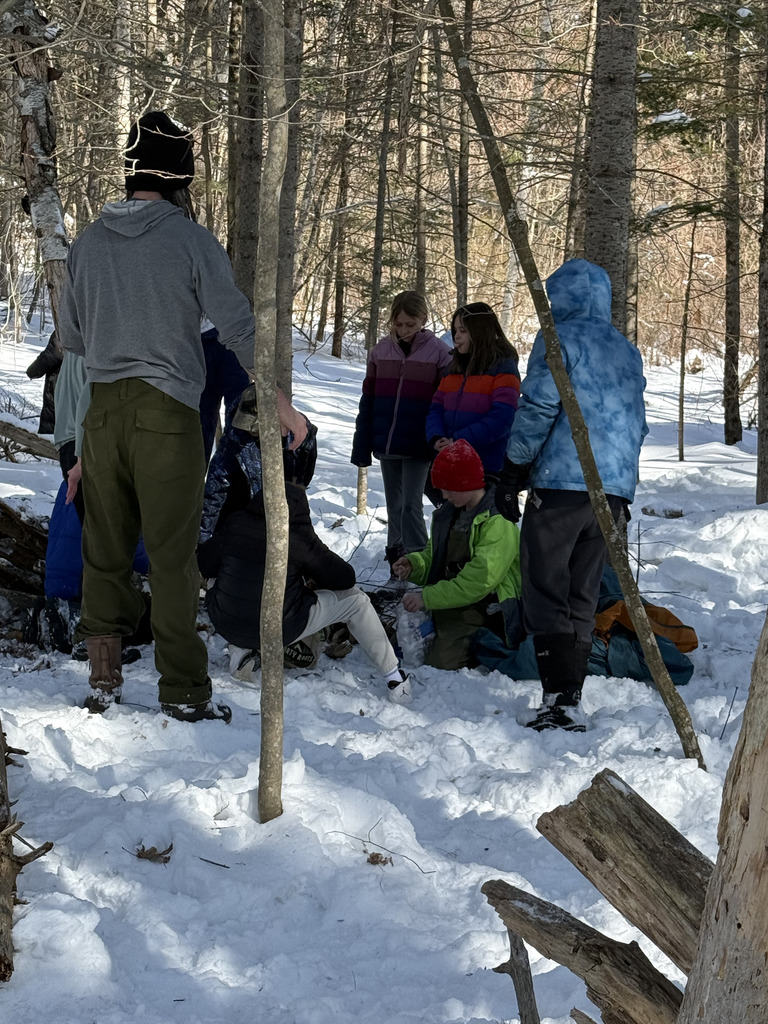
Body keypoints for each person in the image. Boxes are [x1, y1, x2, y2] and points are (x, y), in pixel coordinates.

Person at [57, 109, 306, 722]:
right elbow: (239, 327)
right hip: (167, 413)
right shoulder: (192, 241)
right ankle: (186, 692)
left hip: (103, 412)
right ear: (179, 184)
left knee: (104, 549)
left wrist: (88, 446)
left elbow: (74, 341)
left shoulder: (86, 244)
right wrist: (278, 402)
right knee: (172, 556)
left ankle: (103, 677)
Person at [495, 258, 648, 732]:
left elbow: (540, 404)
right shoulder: (626, 350)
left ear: (555, 298)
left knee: (544, 587)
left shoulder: (558, 339)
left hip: (562, 484)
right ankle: (571, 696)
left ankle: (557, 699)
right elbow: (637, 424)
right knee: (583, 592)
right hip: (611, 493)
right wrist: (622, 487)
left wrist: (513, 469)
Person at [198, 481, 409, 697]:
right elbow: (345, 578)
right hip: (280, 627)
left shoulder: (236, 522)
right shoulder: (296, 536)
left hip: (225, 621)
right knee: (357, 602)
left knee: (221, 576)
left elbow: (204, 562)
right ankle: (395, 678)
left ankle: (241, 649)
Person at [392, 439, 521, 672]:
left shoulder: (497, 520)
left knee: (438, 662)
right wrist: (414, 565)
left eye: (447, 488)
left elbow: (479, 580)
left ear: (465, 483)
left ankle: (486, 646)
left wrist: (427, 597)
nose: (443, 495)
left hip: (487, 608)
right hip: (452, 598)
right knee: (399, 644)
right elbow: (435, 555)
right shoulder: (450, 514)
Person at [351, 291, 451, 568]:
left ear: (423, 320)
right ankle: (396, 557)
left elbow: (445, 401)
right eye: (399, 324)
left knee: (411, 506)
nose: (404, 330)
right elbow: (368, 400)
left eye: (411, 324)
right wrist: (362, 442)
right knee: (393, 506)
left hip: (419, 444)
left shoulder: (439, 354)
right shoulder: (381, 351)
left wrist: (438, 438)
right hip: (387, 442)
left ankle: (418, 560)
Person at [426, 301, 520, 479]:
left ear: (480, 332)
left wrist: (460, 441)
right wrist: (436, 436)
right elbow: (436, 407)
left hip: (486, 466)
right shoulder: (453, 368)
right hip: (449, 461)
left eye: (463, 331)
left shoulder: (503, 367)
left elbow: (503, 418)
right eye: (455, 331)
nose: (456, 337)